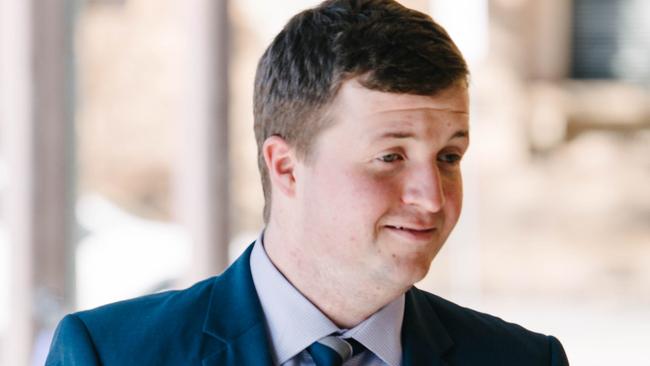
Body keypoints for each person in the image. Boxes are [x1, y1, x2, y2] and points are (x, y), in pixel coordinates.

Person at [46, 0, 570, 365]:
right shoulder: (111, 354)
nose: (431, 197)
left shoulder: (522, 359)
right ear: (286, 166)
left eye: (449, 156)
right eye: (390, 156)